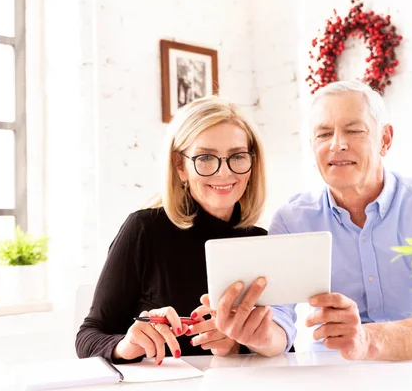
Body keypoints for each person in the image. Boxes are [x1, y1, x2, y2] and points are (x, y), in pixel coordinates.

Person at [267, 80, 412, 361]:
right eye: (324, 134)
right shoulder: (292, 220)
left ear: (384, 140)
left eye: (354, 130)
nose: (337, 144)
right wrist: (257, 334)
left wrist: (368, 339)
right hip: (331, 378)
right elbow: (277, 319)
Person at [76, 95, 270, 365]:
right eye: (205, 158)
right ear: (180, 167)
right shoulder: (144, 229)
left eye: (237, 156)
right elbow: (88, 337)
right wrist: (127, 344)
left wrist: (236, 345)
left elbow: (282, 350)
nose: (224, 173)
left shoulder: (259, 240)